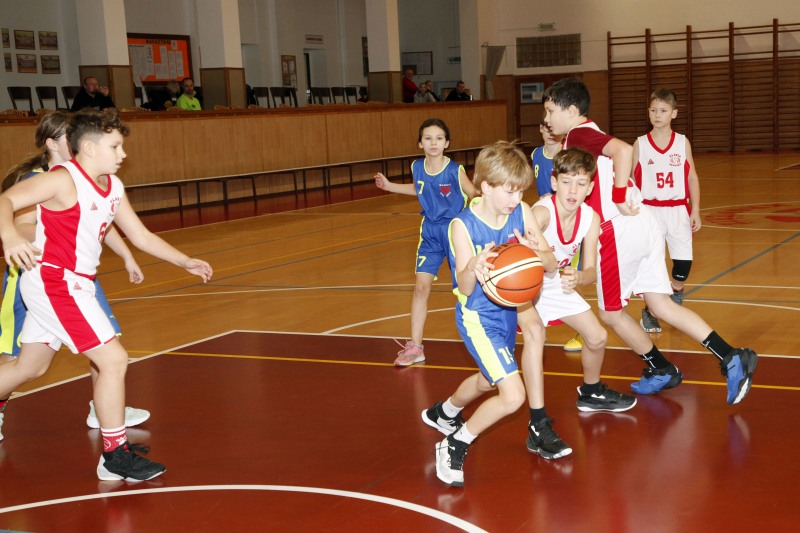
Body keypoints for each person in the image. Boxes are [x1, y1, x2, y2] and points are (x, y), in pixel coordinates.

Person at [0, 108, 213, 480]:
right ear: (88, 147)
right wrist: (10, 235)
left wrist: (184, 260)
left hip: (76, 282)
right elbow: (5, 201)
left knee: (30, 367)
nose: (123, 154)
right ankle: (115, 455)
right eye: (115, 146)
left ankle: (114, 449)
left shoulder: (112, 186)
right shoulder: (60, 180)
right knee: (113, 359)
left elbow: (141, 235)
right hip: (55, 283)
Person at [542, 77, 757, 404]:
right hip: (644, 222)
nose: (547, 118)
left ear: (571, 111)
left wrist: (617, 195)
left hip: (617, 231)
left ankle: (661, 368)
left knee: (611, 314)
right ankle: (730, 355)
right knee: (660, 304)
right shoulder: (585, 133)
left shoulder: (578, 134)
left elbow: (623, 150)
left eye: (550, 111)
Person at [0, 111, 150, 442]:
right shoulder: (44, 179)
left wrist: (126, 254)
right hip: (40, 272)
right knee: (20, 359)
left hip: (78, 274)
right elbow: (21, 222)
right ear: (54, 143)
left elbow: (100, 220)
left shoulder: (90, 178)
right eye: (70, 136)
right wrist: (39, 243)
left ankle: (104, 408)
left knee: (94, 351)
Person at [421, 141, 557, 487]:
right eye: (509, 191)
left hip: (508, 313)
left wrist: (536, 252)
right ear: (485, 186)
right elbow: (466, 288)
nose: (516, 198)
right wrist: (473, 267)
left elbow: (551, 264)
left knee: (488, 379)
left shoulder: (521, 211)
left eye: (520, 191)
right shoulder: (462, 226)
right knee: (513, 396)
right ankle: (456, 442)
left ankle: (444, 412)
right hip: (478, 318)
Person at [518, 147, 636, 460]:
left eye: (581, 183)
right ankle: (537, 421)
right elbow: (516, 254)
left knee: (597, 337)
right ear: (554, 182)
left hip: (557, 283)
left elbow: (591, 271)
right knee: (533, 340)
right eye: (567, 182)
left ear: (591, 187)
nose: (573, 190)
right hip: (528, 286)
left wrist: (579, 277)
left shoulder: (590, 218)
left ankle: (591, 392)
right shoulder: (541, 214)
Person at [375, 119, 476, 366]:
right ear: (420, 143)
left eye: (439, 138)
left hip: (455, 231)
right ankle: (415, 347)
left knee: (466, 289)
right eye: (428, 138)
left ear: (447, 143)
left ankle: (483, 335)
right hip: (430, 232)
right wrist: (389, 186)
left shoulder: (455, 170)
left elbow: (474, 194)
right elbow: (420, 189)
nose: (433, 143)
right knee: (421, 287)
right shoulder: (417, 166)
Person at [633, 89, 701, 334]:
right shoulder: (640, 144)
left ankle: (676, 290)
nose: (657, 114)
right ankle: (649, 312)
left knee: (683, 265)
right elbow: (631, 180)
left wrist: (696, 209)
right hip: (649, 211)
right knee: (653, 266)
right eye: (653, 110)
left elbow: (691, 177)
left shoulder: (682, 142)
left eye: (663, 110)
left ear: (674, 113)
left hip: (678, 210)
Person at [530, 118, 584, 353]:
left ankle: (580, 331)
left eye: (553, 128)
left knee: (569, 273)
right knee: (537, 271)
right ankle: (537, 325)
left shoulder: (568, 154)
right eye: (546, 127)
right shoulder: (535, 154)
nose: (550, 132)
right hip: (545, 220)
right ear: (541, 129)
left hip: (565, 219)